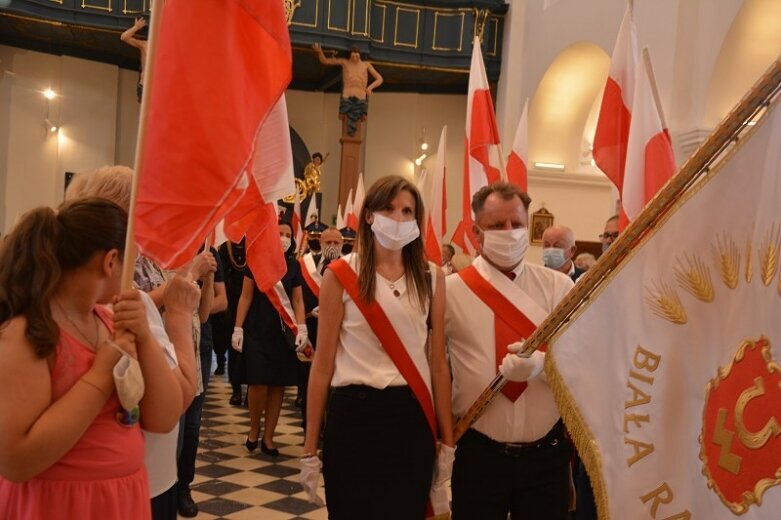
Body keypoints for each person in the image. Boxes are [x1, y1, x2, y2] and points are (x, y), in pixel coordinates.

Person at [0, 198, 183, 519]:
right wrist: (100, 375)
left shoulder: (109, 320)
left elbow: (165, 417)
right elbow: (16, 461)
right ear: (111, 261)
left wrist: (144, 337)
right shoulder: (28, 333)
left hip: (121, 497)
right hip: (61, 503)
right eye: (131, 263)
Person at [300, 175, 454, 519]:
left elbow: (438, 363)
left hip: (410, 417)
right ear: (369, 215)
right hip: (354, 416)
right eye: (389, 208)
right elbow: (322, 365)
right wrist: (310, 447)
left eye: (407, 211)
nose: (398, 218)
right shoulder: (340, 274)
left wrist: (447, 440)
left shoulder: (432, 277)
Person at [65, 165, 201, 520]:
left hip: (111, 484)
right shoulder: (126, 301)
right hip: (137, 485)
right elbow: (171, 406)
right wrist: (179, 315)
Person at [445, 182, 574, 520]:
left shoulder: (558, 287)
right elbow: (432, 367)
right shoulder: (450, 291)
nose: (509, 232)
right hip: (479, 453)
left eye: (516, 224)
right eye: (496, 226)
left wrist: (544, 367)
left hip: (546, 455)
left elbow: (586, 363)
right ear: (476, 232)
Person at [232, 222, 307, 456]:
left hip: (282, 332)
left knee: (277, 384)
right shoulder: (256, 261)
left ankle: (269, 437)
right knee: (258, 382)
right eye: (280, 234)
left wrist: (302, 328)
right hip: (256, 329)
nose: (284, 238)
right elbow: (245, 296)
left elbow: (297, 300)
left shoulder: (293, 266)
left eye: (288, 235)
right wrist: (238, 328)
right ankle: (254, 429)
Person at [177, 246, 226, 518]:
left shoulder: (210, 250)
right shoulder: (168, 247)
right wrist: (192, 270)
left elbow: (205, 313)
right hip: (170, 344)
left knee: (193, 423)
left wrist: (206, 278)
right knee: (175, 422)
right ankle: (166, 485)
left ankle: (184, 486)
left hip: (197, 342)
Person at [297, 226, 344, 429]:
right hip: (312, 329)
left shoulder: (349, 267)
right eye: (328, 242)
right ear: (320, 243)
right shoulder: (306, 266)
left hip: (338, 332)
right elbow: (297, 297)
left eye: (336, 243)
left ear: (342, 244)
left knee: (335, 379)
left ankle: (331, 424)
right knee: (310, 377)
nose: (332, 246)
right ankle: (310, 423)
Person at [312, 43, 383, 136]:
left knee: (362, 119)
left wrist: (369, 88)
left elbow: (379, 79)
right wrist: (319, 52)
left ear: (360, 54)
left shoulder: (366, 65)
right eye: (353, 52)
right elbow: (325, 61)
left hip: (361, 98)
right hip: (346, 97)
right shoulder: (345, 62)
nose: (355, 55)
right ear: (350, 54)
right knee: (343, 118)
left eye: (357, 52)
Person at [120, 17, 147, 103]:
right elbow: (124, 37)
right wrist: (136, 27)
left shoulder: (165, 47)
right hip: (146, 83)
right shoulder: (145, 45)